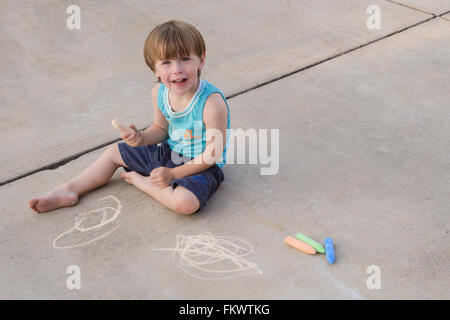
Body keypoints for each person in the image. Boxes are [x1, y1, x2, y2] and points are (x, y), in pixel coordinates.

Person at [29, 20, 230, 215]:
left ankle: (144, 183)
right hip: (168, 157)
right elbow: (161, 129)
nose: (177, 69)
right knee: (114, 151)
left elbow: (212, 155)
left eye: (185, 59)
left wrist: (173, 175)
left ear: (201, 60)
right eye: (166, 62)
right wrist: (141, 138)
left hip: (202, 167)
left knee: (185, 203)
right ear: (155, 69)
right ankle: (70, 189)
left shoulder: (211, 104)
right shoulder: (159, 93)